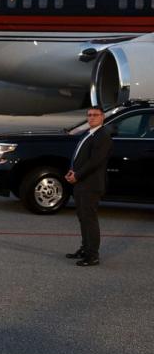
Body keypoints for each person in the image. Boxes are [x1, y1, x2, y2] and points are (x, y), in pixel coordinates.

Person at [64, 107, 113, 267]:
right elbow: (81, 157)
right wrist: (72, 171)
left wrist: (77, 175)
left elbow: (95, 161)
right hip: (81, 183)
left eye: (95, 115)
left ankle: (92, 255)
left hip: (90, 185)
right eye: (89, 115)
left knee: (89, 220)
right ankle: (85, 249)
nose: (91, 118)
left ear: (102, 117)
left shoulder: (102, 136)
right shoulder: (90, 133)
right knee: (83, 219)